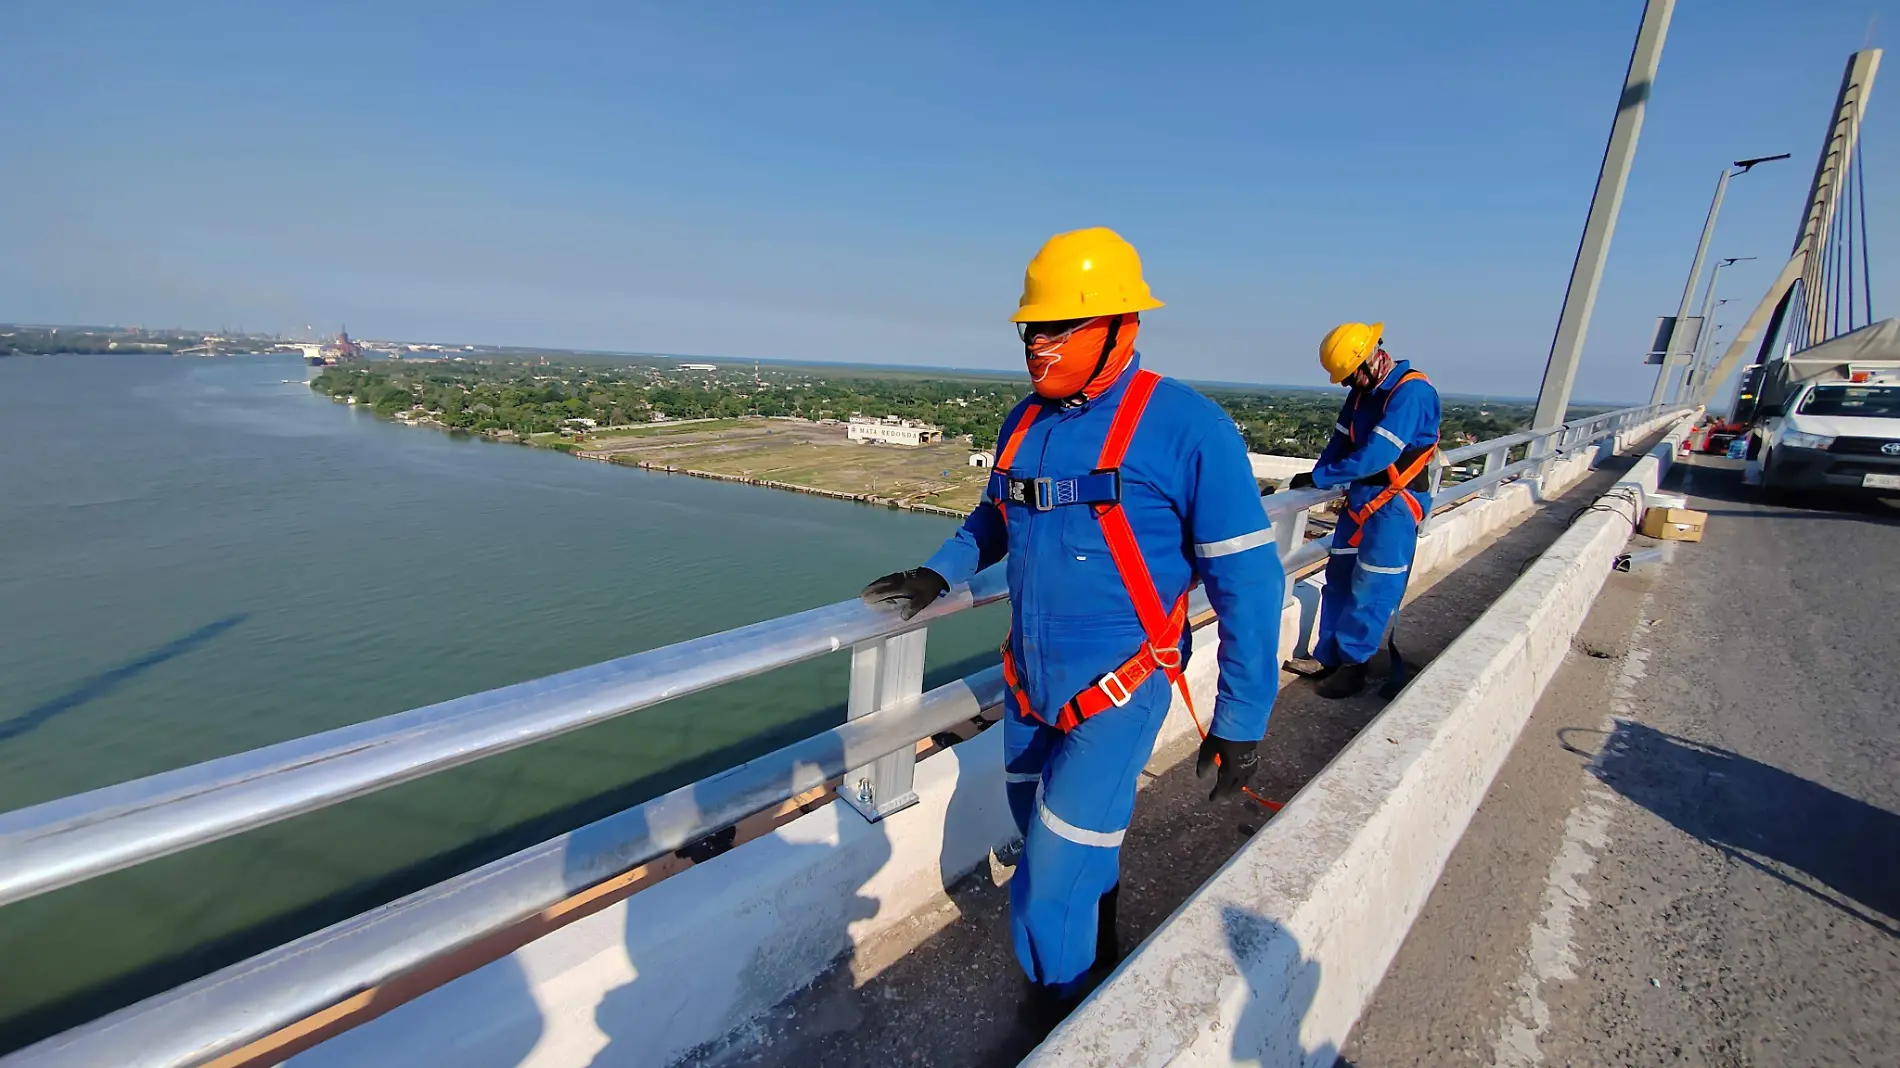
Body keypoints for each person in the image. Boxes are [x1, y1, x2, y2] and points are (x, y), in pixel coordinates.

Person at [859, 227, 1284, 1023]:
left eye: (1060, 326)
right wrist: (938, 573)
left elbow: (1249, 584)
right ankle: (1102, 934)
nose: (1039, 344)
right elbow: (996, 514)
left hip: (1116, 692)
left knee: (1046, 880)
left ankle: (1060, 1013)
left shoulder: (1189, 429)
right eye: (1031, 328)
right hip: (1030, 687)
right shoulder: (1024, 423)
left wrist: (1241, 720)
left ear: (1123, 327)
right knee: (1048, 834)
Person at [1283, 322, 1441, 699]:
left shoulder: (1410, 393)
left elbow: (1378, 455)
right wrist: (1318, 474)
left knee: (1373, 586)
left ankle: (1354, 665)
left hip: (1394, 505)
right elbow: (1341, 442)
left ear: (1368, 362)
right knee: (1340, 577)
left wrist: (1325, 476)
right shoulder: (1362, 393)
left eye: (1348, 375)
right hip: (1360, 500)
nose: (1344, 384)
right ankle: (1330, 656)